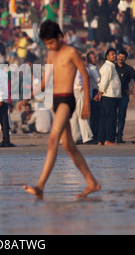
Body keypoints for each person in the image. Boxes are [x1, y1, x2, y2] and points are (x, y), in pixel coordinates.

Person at [18, 20, 100, 199]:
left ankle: (40, 186)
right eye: (46, 44)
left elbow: (85, 75)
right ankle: (92, 183)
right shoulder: (51, 55)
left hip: (67, 100)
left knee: (52, 140)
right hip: (55, 100)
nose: (50, 46)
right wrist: (27, 97)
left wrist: (86, 103)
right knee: (70, 146)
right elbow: (45, 81)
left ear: (60, 37)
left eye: (51, 42)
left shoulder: (71, 52)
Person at [95, 48, 121, 145]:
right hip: (109, 96)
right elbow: (104, 82)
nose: (115, 56)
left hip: (109, 96)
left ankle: (101, 139)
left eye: (115, 54)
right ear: (107, 57)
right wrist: (100, 93)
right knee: (110, 118)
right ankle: (109, 139)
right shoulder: (108, 67)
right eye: (112, 54)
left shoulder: (110, 66)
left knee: (104, 118)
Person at [115, 50, 135, 143]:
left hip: (124, 95)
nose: (121, 59)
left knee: (121, 116)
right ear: (117, 56)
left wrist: (132, 91)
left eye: (123, 57)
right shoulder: (112, 67)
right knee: (113, 116)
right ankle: (111, 135)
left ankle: (120, 136)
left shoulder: (129, 69)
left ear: (125, 59)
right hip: (112, 95)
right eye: (120, 56)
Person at [86, 51, 101, 142]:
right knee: (96, 116)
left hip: (94, 91)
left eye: (96, 57)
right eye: (94, 57)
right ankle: (95, 135)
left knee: (95, 116)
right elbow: (99, 80)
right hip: (95, 92)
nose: (96, 58)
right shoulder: (92, 69)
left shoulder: (92, 68)